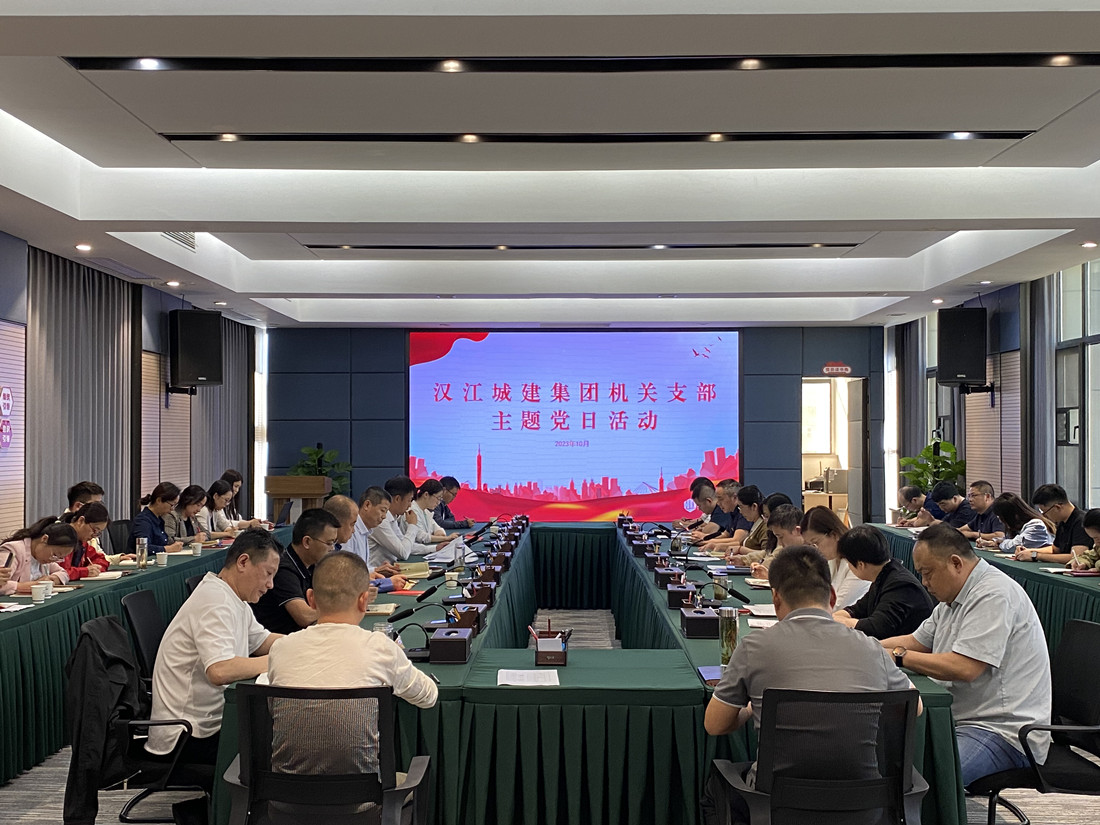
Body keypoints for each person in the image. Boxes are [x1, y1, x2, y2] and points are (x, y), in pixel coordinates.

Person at [702, 545, 919, 823]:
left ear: (776, 598)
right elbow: (914, 706)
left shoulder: (754, 646)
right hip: (864, 807)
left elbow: (715, 724)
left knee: (714, 790)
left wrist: (749, 709)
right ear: (832, 596)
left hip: (776, 807)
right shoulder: (871, 647)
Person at [880, 524, 1051, 786]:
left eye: (927, 573)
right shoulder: (954, 597)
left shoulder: (993, 594)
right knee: (891, 759)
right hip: (963, 719)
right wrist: (867, 647)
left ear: (956, 563)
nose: (924, 583)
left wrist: (898, 656)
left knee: (924, 780)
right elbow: (916, 641)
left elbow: (965, 668)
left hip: (1003, 733)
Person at [146, 528, 283, 766]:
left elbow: (262, 641)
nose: (270, 584)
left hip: (208, 724)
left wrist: (304, 643)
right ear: (243, 562)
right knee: (276, 742)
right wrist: (283, 658)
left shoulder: (232, 597)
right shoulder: (214, 601)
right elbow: (220, 670)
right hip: (187, 736)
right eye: (268, 574)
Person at [268, 550, 438, 708]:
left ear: (311, 599)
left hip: (289, 733)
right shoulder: (382, 648)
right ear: (364, 601)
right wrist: (398, 657)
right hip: (365, 733)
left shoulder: (280, 648)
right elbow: (428, 696)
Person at [253, 508, 348, 635]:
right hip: (279, 641)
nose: (332, 549)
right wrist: (344, 605)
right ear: (307, 542)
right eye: (329, 543)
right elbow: (304, 616)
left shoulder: (312, 564)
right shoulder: (283, 570)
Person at [833, 524, 934, 639]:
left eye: (849, 563)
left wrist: (841, 621)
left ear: (861, 564)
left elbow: (877, 628)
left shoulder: (900, 585)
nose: (849, 567)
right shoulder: (883, 575)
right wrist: (834, 618)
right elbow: (857, 609)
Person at [327, 492, 407, 592]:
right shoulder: (344, 540)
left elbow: (354, 572)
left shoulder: (365, 530)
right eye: (382, 510)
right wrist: (387, 583)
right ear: (367, 505)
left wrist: (373, 572)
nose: (384, 517)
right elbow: (346, 580)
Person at [799, 506, 870, 611]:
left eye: (816, 543)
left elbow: (838, 607)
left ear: (834, 535)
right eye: (810, 545)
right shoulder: (832, 559)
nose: (815, 549)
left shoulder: (857, 563)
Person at [0, 517, 76, 595]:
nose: (54, 560)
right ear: (44, 539)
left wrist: (51, 579)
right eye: (55, 554)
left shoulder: (44, 557)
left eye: (60, 558)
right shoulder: (14, 550)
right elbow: (1, 584)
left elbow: (63, 573)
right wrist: (26, 586)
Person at [367, 476, 421, 570]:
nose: (410, 505)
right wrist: (412, 525)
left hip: (386, 570)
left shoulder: (392, 517)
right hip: (376, 573)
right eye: (409, 500)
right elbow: (403, 553)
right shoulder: (380, 521)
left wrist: (435, 548)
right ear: (397, 499)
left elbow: (405, 545)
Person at [1028, 483, 1091, 564]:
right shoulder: (1062, 522)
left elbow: (1076, 557)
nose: (1045, 516)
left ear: (1057, 507)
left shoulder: (1081, 522)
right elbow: (1055, 549)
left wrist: (1036, 555)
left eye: (1045, 512)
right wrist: (1030, 551)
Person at [979, 493, 1055, 557]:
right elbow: (1011, 540)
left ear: (1011, 515)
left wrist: (1000, 543)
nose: (1000, 520)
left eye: (1001, 517)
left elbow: (1014, 546)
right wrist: (994, 542)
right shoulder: (1019, 526)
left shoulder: (1036, 525)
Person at [59, 502, 112, 580]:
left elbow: (101, 559)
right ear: (81, 521)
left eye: (98, 533)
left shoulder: (82, 542)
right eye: (95, 530)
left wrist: (95, 568)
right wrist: (84, 571)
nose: (94, 536)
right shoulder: (59, 539)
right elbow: (58, 572)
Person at [749, 504, 803, 579]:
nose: (780, 543)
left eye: (780, 537)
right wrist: (767, 574)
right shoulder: (790, 552)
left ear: (797, 530)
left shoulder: (812, 555)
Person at [131, 482, 184, 557]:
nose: (172, 509)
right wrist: (167, 549)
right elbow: (143, 548)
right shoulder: (143, 521)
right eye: (172, 505)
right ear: (159, 500)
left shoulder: (159, 519)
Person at [409, 479, 462, 549]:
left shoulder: (425, 511)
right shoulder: (412, 510)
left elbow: (437, 527)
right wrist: (446, 538)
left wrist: (439, 531)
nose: (438, 502)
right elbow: (421, 537)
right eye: (438, 498)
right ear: (426, 495)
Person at [726, 485, 769, 566]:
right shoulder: (756, 524)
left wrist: (741, 549)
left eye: (741, 507)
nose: (740, 512)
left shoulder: (765, 528)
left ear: (754, 506)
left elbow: (767, 555)